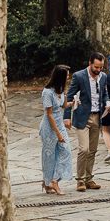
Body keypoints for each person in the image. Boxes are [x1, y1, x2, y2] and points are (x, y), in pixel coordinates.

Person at [64, 52, 110, 192]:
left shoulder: (103, 77)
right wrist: (67, 116)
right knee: (83, 149)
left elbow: (104, 93)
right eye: (96, 67)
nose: (98, 70)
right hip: (82, 116)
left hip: (98, 116)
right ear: (90, 63)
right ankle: (80, 180)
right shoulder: (79, 76)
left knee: (93, 150)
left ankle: (89, 178)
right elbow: (70, 96)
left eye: (101, 67)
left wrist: (107, 103)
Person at [40, 64, 74, 195]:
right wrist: (58, 134)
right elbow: (49, 114)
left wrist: (73, 103)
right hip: (50, 127)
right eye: (66, 76)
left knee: (66, 152)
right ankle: (48, 182)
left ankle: (54, 180)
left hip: (59, 124)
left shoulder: (61, 90)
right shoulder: (47, 92)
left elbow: (64, 105)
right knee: (49, 156)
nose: (68, 78)